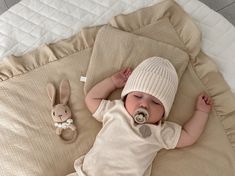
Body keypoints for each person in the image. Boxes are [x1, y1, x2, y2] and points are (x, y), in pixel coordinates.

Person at [73, 56, 213, 176]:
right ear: (126, 97)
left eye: (155, 102)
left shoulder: (160, 131)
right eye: (138, 96)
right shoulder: (115, 111)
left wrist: (201, 112)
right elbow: (91, 99)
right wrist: (113, 82)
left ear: (164, 113)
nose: (144, 104)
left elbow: (188, 136)